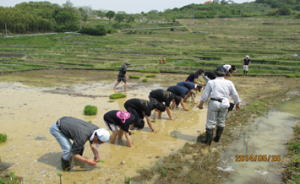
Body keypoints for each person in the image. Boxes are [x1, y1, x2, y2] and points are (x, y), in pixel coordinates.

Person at [197, 67, 241, 145]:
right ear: (224, 74)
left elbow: (205, 95)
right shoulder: (229, 82)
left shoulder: (211, 82)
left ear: (215, 73)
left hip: (214, 103)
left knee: (210, 122)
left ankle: (208, 141)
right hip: (225, 103)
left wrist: (201, 104)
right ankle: (217, 139)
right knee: (221, 122)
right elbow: (235, 94)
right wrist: (237, 104)